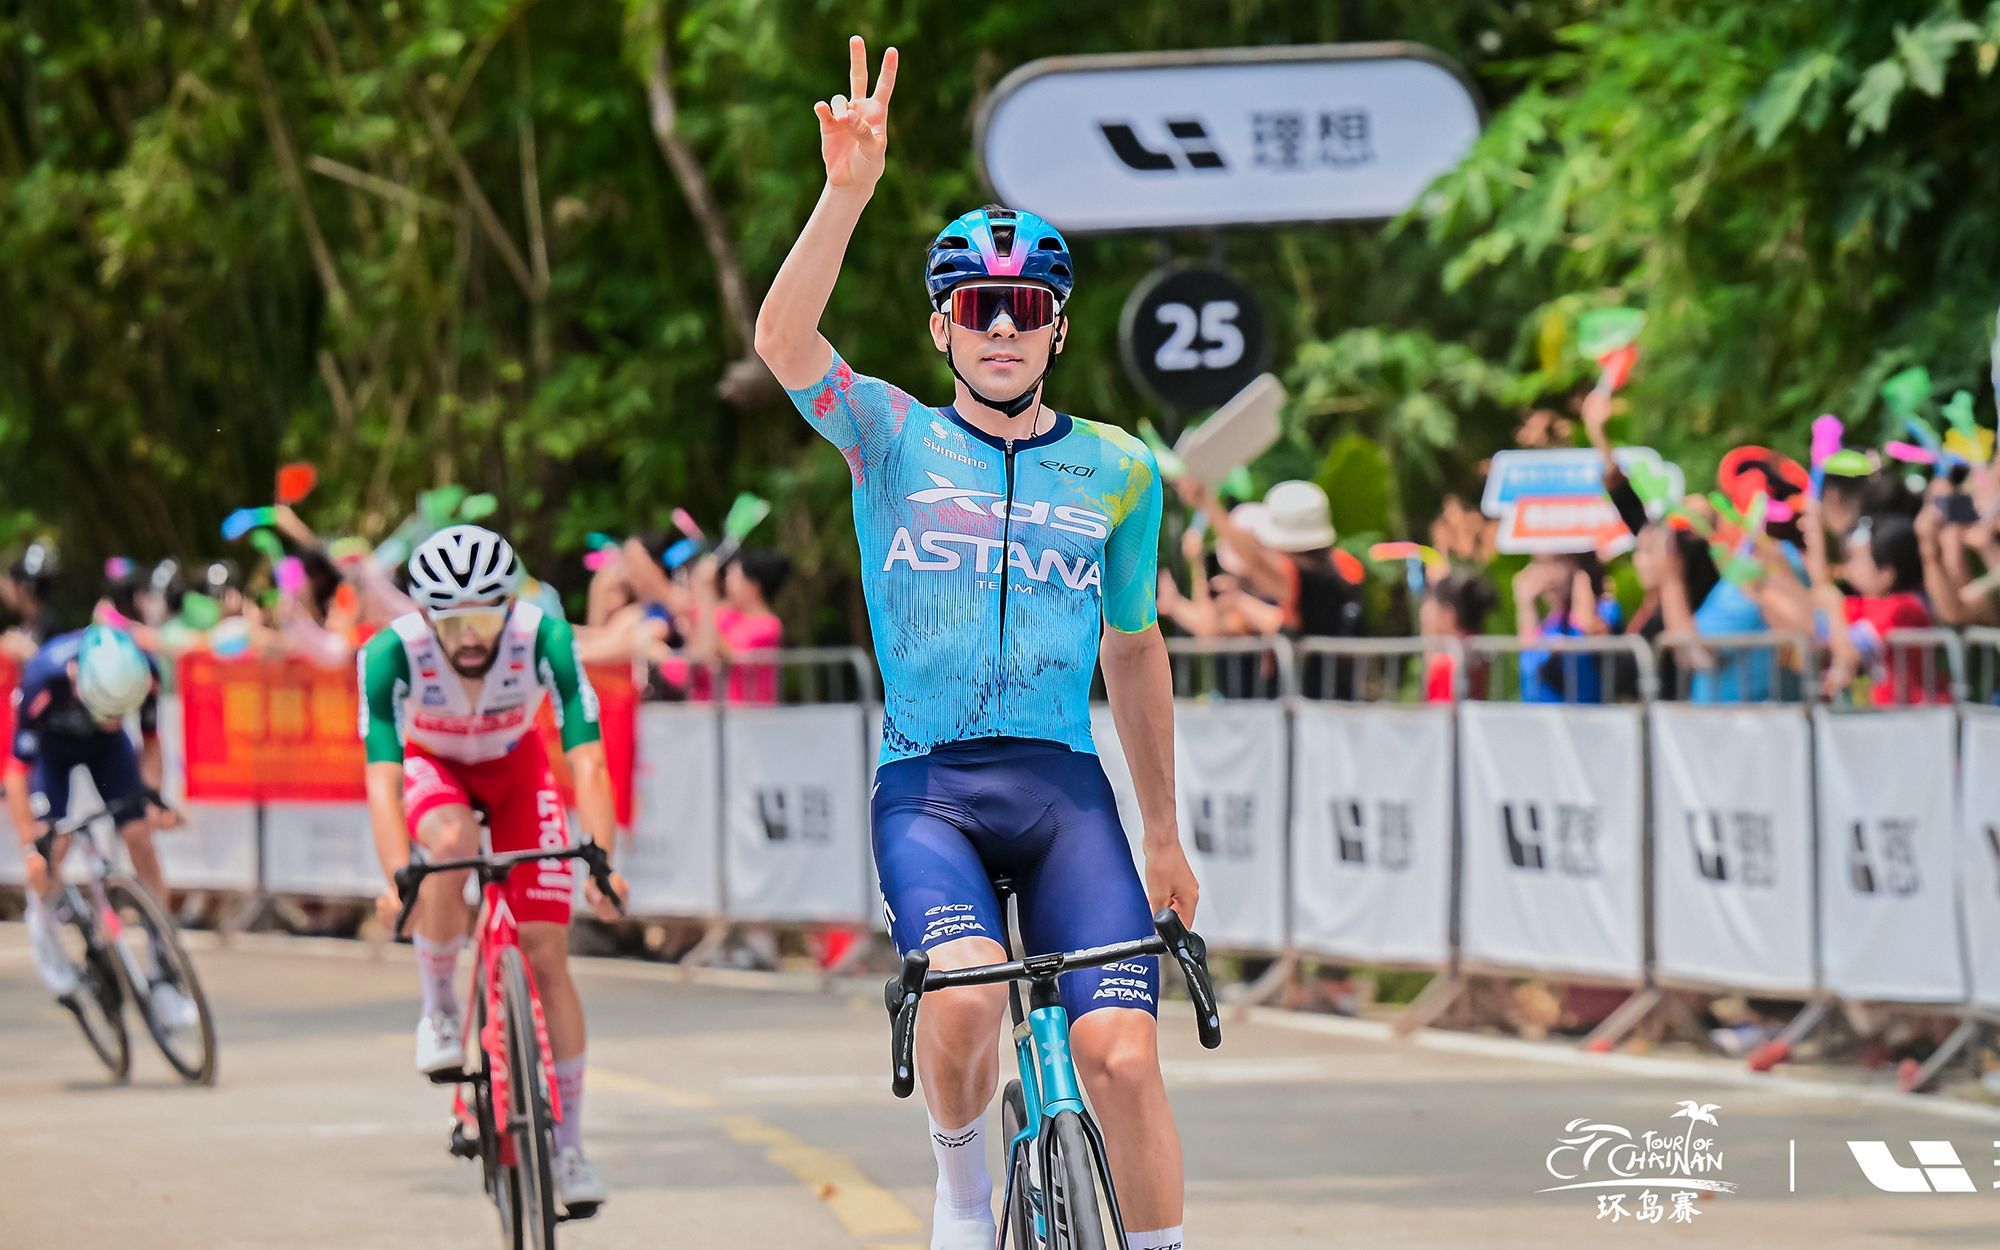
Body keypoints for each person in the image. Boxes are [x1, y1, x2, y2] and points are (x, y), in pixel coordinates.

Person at [753, 37, 1198, 1250]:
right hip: (932, 791)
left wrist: (1161, 826)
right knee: (957, 1001)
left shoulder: (1116, 466)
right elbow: (783, 344)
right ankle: (959, 1192)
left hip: (1063, 791)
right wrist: (844, 195)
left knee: (1122, 1056)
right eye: (976, 307)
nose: (1001, 328)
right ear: (943, 326)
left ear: (1056, 329)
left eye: (1027, 309)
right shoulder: (888, 435)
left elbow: (1136, 653)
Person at [357, 525, 626, 1212]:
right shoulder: (390, 653)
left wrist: (600, 861)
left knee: (547, 953)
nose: (471, 638)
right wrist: (397, 877)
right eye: (454, 622)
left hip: (516, 770)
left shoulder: (546, 638)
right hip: (434, 767)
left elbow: (588, 759)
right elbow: (383, 781)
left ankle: (567, 1149)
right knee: (445, 843)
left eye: (485, 618)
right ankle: (442, 1009)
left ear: (510, 608)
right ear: (424, 616)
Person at [10, 625, 196, 1027]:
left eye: (119, 714)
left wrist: (151, 798)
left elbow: (150, 742)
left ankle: (163, 968)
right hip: (52, 754)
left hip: (107, 752)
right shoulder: (45, 676)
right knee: (49, 854)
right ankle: (47, 941)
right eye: (105, 711)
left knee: (138, 838)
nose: (113, 719)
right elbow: (15, 769)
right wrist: (30, 837)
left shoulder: (143, 673)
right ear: (78, 680)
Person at [1512, 552, 1622, 703]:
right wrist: (1526, 603)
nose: (1546, 574)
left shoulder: (1605, 608)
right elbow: (1528, 660)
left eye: (1556, 562)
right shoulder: (1552, 620)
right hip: (1541, 717)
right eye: (1539, 563)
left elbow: (1588, 638)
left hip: (1587, 717)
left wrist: (1581, 582)